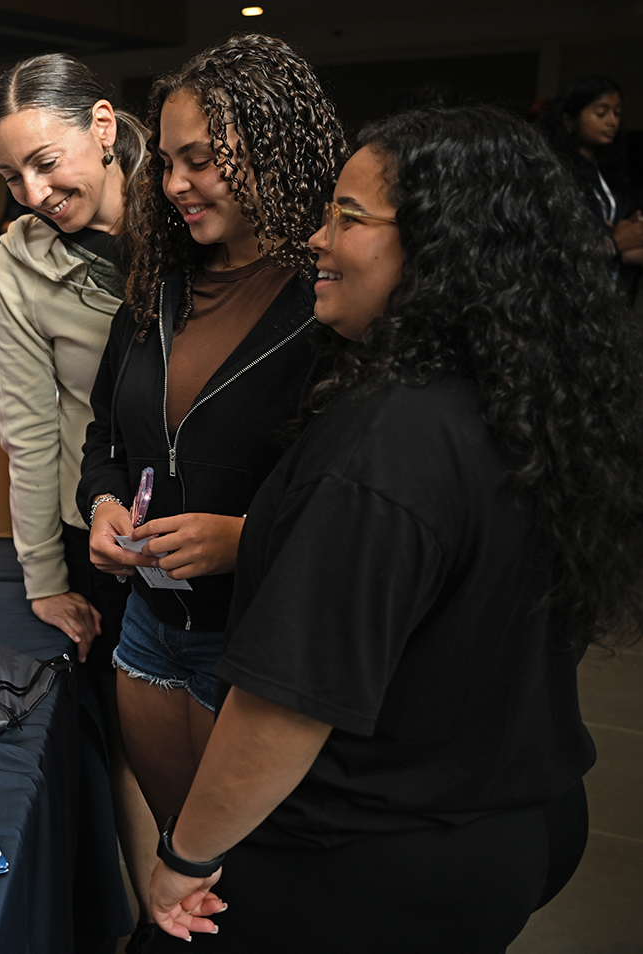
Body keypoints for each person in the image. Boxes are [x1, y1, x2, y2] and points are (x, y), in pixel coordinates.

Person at [143, 106, 643, 952]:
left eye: (349, 217)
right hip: (514, 814)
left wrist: (186, 854)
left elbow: (284, 709)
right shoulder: (526, 401)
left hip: (376, 854)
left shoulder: (385, 445)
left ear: (443, 248)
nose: (316, 239)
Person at [77, 35, 347, 835]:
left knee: (248, 881)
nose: (174, 185)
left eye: (200, 159)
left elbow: (354, 503)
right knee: (177, 858)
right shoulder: (157, 286)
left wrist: (243, 538)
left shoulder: (329, 301)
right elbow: (104, 435)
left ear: (271, 148)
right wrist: (100, 503)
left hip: (258, 646)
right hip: (149, 634)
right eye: (164, 162)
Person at [0, 52, 159, 938]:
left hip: (227, 520)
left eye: (46, 162)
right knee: (132, 741)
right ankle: (152, 917)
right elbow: (29, 426)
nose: (33, 191)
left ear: (100, 124)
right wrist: (44, 575)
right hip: (97, 529)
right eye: (13, 175)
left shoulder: (196, 206)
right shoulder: (18, 264)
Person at [539, 75, 643, 281]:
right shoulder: (555, 173)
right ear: (569, 119)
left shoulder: (607, 170)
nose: (612, 121)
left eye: (617, 113)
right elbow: (552, 251)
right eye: (601, 113)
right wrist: (614, 244)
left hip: (607, 290)